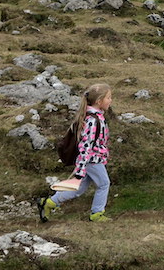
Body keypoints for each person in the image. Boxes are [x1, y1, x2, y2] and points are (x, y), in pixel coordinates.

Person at [38, 83, 113, 223]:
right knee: (104, 184)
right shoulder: (92, 121)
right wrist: (81, 168)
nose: (111, 101)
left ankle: (49, 203)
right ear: (99, 101)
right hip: (92, 160)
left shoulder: (96, 117)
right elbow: (85, 146)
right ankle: (97, 214)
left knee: (78, 189)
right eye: (108, 98)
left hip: (94, 159)